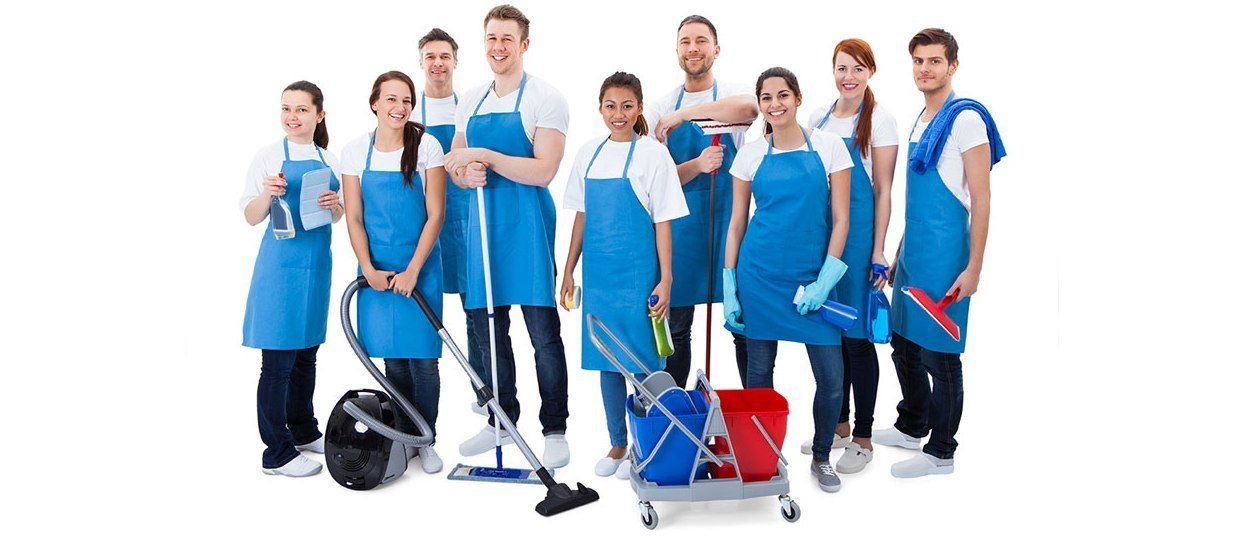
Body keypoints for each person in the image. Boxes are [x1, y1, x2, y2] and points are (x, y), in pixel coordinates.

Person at [443, 4, 572, 468]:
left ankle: (554, 428)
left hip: (527, 228)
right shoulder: (471, 99)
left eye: (506, 39)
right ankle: (501, 420)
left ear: (524, 44)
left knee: (543, 335)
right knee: (489, 336)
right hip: (482, 227)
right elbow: (455, 164)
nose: (498, 48)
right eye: (491, 39)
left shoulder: (546, 97)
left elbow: (543, 170)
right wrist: (464, 173)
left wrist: (485, 155)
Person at [874, 28, 1005, 478]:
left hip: (948, 255)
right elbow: (917, 202)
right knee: (904, 343)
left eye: (934, 61)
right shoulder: (922, 120)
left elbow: (982, 199)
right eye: (918, 61)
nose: (924, 69)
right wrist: (898, 255)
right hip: (915, 253)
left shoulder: (965, 120)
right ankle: (913, 423)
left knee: (940, 355)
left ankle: (940, 452)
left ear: (953, 65)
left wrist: (974, 267)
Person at [723, 67, 853, 493]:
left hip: (811, 277)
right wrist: (729, 284)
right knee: (759, 373)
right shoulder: (751, 153)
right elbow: (738, 223)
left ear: (798, 98)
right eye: (766, 98)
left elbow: (841, 219)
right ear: (760, 104)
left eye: (783, 95)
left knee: (832, 379)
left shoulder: (830, 147)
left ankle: (820, 456)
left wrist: (825, 281)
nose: (775, 104)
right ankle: (763, 457)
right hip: (759, 276)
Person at [560, 72, 688, 479]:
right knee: (607, 362)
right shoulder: (588, 154)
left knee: (645, 365)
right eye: (611, 106)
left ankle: (648, 444)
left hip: (638, 277)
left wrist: (665, 279)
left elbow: (664, 220)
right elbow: (581, 216)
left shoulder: (652, 154)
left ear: (639, 109)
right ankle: (617, 444)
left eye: (627, 106)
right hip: (599, 280)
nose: (619, 114)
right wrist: (568, 270)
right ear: (600, 108)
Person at [799, 38, 899, 474]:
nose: (849, 77)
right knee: (830, 333)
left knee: (857, 339)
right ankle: (837, 425)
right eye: (842, 68)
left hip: (858, 242)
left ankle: (863, 436)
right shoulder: (819, 118)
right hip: (826, 235)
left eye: (858, 69)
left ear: (870, 72)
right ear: (832, 71)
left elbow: (882, 191)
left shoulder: (880, 120)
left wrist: (877, 249)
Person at [341, 71, 448, 474]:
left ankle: (428, 438)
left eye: (405, 100)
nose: (399, 107)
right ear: (375, 103)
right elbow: (353, 216)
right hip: (376, 271)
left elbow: (436, 214)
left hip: (420, 267)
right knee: (392, 360)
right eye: (390, 99)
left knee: (423, 359)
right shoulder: (355, 152)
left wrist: (413, 270)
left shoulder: (427, 147)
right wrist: (368, 268)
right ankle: (404, 436)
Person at [646, 14, 759, 388]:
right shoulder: (658, 107)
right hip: (680, 235)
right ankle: (677, 417)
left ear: (716, 49)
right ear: (677, 50)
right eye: (685, 42)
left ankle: (751, 413)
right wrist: (695, 165)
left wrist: (685, 115)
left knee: (742, 325)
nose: (693, 49)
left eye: (701, 41)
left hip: (730, 227)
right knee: (677, 329)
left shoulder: (730, 94)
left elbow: (749, 109)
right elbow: (654, 182)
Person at [240, 81, 343, 477]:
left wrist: (335, 205)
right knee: (278, 361)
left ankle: (302, 429)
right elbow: (251, 216)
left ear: (319, 115)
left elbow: (336, 217)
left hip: (315, 266)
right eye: (286, 108)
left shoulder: (329, 159)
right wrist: (267, 194)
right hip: (280, 270)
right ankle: (277, 452)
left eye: (301, 109)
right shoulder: (268, 158)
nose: (292, 117)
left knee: (306, 355)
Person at [414, 28, 490, 413]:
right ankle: (421, 406)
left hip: (467, 224)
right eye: (431, 56)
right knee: (424, 317)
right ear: (421, 62)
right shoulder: (410, 115)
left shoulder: (471, 108)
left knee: (476, 313)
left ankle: (486, 394)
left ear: (456, 62)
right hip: (425, 226)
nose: (438, 63)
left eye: (445, 56)